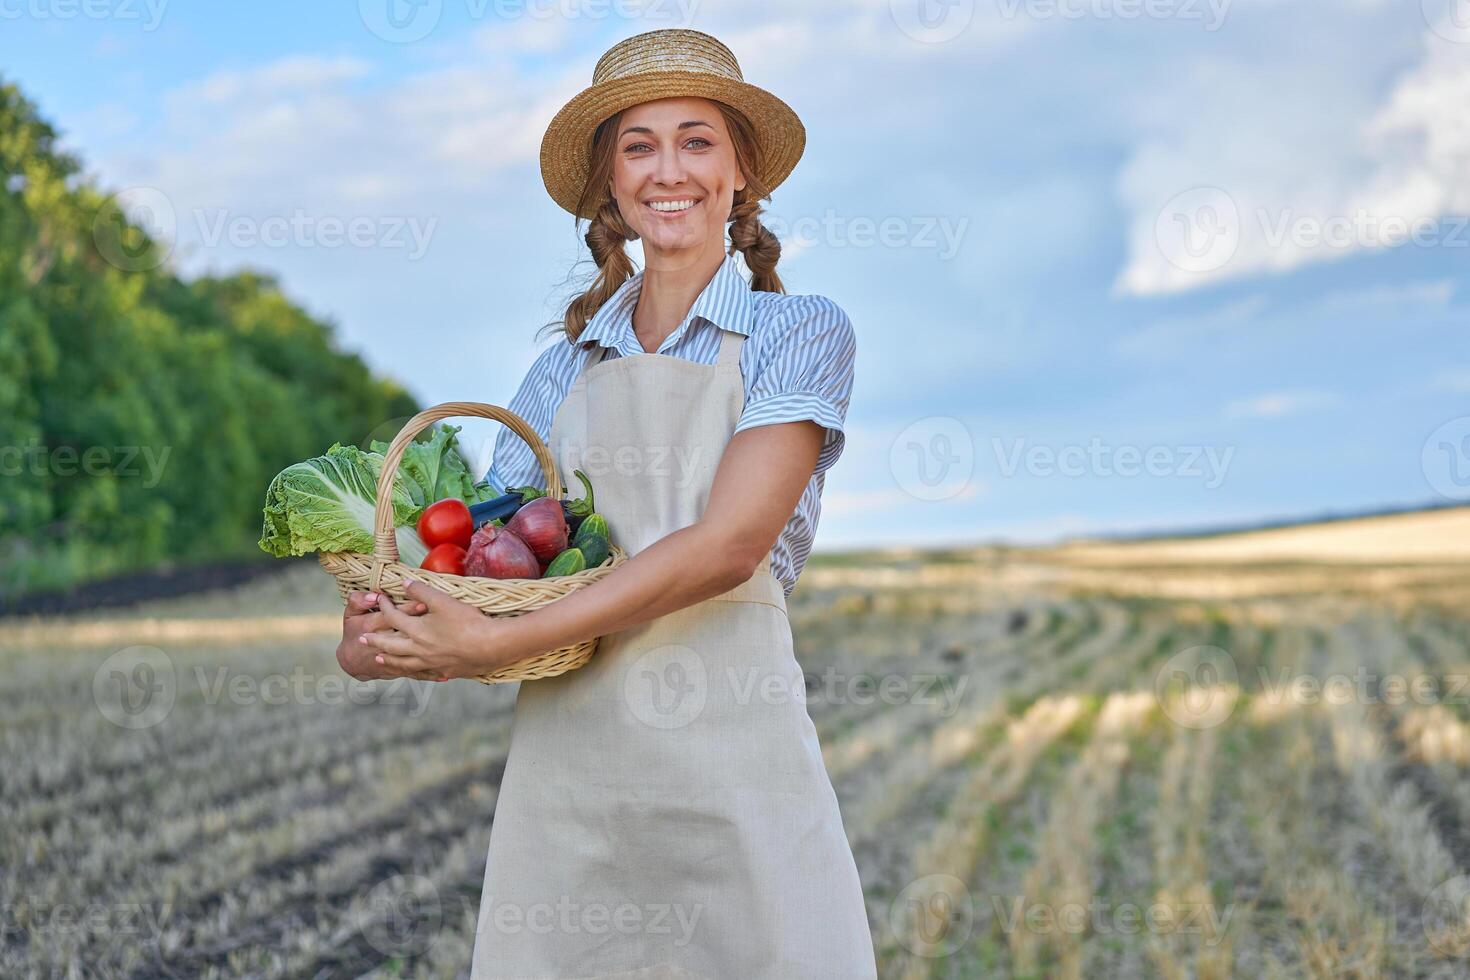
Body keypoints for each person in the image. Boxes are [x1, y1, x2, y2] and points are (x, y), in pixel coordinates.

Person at [339, 27, 877, 979]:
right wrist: (387, 633)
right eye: (639, 145)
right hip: (571, 788)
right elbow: (491, 564)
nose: (670, 170)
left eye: (697, 139)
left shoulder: (798, 331)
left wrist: (494, 645)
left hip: (734, 770)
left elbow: (728, 546)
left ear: (742, 169)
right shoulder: (559, 371)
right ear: (610, 182)